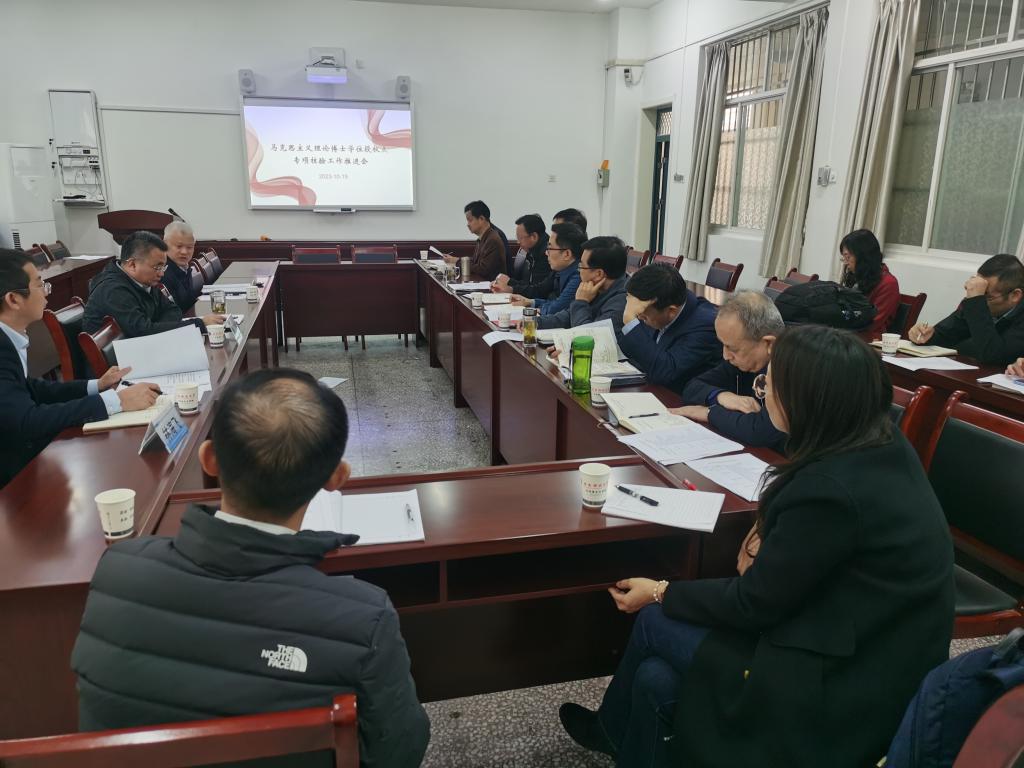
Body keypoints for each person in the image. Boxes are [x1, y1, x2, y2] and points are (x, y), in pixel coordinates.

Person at [559, 326, 954, 768]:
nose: (762, 392)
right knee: (656, 679)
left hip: (846, 676)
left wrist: (660, 590)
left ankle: (610, 730)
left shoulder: (831, 490)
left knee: (654, 620)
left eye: (770, 383)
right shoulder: (875, 442)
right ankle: (617, 735)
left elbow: (754, 604)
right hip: (862, 638)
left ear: (808, 400)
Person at [72, 368, 430, 768]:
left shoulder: (116, 572)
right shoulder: (364, 618)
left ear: (209, 460)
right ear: (337, 478)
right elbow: (401, 751)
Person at [0, 249, 160, 488]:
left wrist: (98, 385)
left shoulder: (8, 338)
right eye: (40, 284)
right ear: (13, 300)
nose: (47, 292)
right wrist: (116, 402)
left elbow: (31, 388)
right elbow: (26, 421)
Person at [670, 291, 785, 450]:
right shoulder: (740, 361)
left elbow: (762, 431)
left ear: (768, 343)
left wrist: (709, 413)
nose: (725, 356)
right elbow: (692, 388)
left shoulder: (792, 367)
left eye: (733, 348)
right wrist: (721, 396)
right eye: (723, 345)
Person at [83, 231, 224, 338]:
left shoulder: (143, 281)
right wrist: (200, 324)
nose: (162, 273)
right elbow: (143, 332)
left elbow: (173, 310)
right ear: (132, 265)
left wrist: (155, 326)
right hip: (117, 365)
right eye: (157, 267)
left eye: (163, 267)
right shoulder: (112, 291)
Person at [618, 263, 720, 391]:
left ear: (671, 310)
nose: (638, 315)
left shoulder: (705, 327)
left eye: (642, 312)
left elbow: (665, 372)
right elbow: (631, 349)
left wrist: (630, 321)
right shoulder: (657, 306)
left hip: (678, 396)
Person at [909, 254, 1024, 366]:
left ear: (1015, 295)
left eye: (987, 296)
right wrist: (925, 336)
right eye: (979, 294)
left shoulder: (978, 304)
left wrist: (976, 301)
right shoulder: (978, 302)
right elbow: (946, 335)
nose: (981, 303)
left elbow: (993, 355)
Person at [535, 235, 630, 336]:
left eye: (581, 266)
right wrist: (533, 322)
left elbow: (586, 336)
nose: (578, 271)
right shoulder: (597, 288)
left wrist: (581, 302)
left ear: (598, 274)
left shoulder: (622, 302)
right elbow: (566, 318)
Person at [510, 222, 585, 317]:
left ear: (567, 254)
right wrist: (530, 302)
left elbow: (556, 309)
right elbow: (554, 301)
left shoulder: (578, 276)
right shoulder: (561, 270)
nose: (546, 253)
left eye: (550, 248)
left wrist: (539, 308)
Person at [840, 229, 900, 335]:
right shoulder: (857, 276)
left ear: (863, 256)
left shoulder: (889, 284)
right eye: (844, 258)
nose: (845, 263)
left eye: (848, 257)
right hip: (848, 334)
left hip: (868, 339)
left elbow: (871, 322)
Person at [444, 200, 505, 281]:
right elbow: (475, 262)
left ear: (481, 219)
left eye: (470, 220)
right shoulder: (483, 237)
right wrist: (457, 260)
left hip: (491, 285)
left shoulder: (492, 239)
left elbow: (483, 269)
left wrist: (457, 261)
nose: (468, 224)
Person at [491, 214, 550, 294]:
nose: (518, 242)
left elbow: (538, 290)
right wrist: (509, 282)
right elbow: (528, 284)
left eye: (520, 238)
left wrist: (511, 288)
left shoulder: (546, 255)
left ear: (534, 236)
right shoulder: (532, 251)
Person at [160, 220, 201, 312]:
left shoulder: (184, 267)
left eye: (189, 247)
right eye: (179, 246)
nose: (184, 252)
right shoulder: (163, 274)